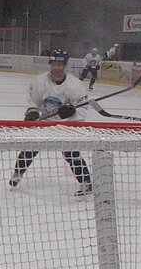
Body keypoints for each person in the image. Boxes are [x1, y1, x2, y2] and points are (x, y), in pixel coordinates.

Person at [8, 49, 92, 196]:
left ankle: (86, 183)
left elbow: (81, 111)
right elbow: (33, 101)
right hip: (44, 122)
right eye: (53, 64)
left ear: (65, 65)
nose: (56, 67)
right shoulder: (40, 81)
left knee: (71, 153)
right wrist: (32, 112)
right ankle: (17, 174)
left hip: (66, 125)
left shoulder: (75, 85)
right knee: (29, 149)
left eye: (59, 64)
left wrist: (71, 113)